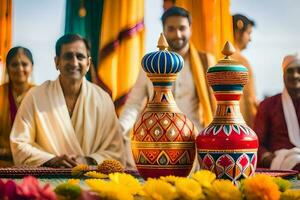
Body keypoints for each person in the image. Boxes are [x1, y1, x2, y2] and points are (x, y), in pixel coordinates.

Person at [119, 7, 215, 168]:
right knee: (126, 145)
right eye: (171, 29)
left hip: (192, 134)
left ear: (190, 29)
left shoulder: (205, 62)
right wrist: (120, 127)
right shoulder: (151, 64)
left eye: (182, 28)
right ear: (163, 31)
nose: (177, 34)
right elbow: (134, 103)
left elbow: (215, 104)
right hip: (156, 132)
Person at [10, 34, 125, 167]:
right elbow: (19, 144)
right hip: (45, 180)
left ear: (88, 63)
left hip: (91, 179)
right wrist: (51, 160)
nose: (74, 62)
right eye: (68, 56)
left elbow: (116, 151)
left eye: (80, 57)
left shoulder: (103, 99)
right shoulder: (36, 96)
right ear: (57, 62)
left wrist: (87, 160)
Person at [254, 54, 300, 171]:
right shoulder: (268, 105)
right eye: (290, 71)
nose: (295, 75)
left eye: (299, 71)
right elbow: (256, 143)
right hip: (279, 163)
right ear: (283, 75)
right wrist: (267, 157)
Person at [0, 47, 35, 167]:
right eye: (14, 64)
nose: (20, 68)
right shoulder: (0, 92)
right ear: (8, 68)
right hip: (3, 161)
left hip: (32, 162)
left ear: (32, 67)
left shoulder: (39, 94)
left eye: (24, 64)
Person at [231, 14, 257, 128]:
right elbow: (249, 99)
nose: (250, 39)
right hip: (241, 123)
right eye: (249, 33)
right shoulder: (241, 61)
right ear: (238, 30)